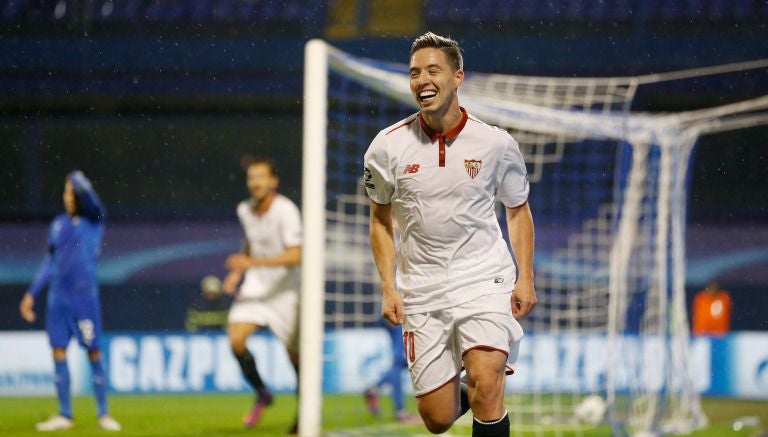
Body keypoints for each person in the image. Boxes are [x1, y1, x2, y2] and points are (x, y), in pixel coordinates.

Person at [364, 32, 537, 436]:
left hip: (484, 278)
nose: (422, 80)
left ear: (458, 76)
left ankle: (484, 388)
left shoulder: (496, 144)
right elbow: (380, 221)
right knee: (438, 418)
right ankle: (470, 389)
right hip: (421, 288)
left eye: (432, 70)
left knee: (487, 384)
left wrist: (525, 277)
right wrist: (388, 287)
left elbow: (517, 210)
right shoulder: (386, 148)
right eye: (414, 73)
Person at [18, 170, 121, 432]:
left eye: (68, 192)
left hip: (84, 299)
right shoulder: (58, 224)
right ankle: (65, 414)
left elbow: (93, 199)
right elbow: (49, 263)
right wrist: (31, 293)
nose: (65, 197)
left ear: (77, 194)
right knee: (58, 351)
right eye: (65, 192)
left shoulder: (94, 220)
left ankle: (104, 414)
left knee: (93, 351)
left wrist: (76, 179)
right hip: (58, 299)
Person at [222, 158, 301, 433]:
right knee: (236, 341)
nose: (255, 182)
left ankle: (303, 413)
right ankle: (262, 392)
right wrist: (237, 273)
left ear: (273, 181)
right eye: (251, 177)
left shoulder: (286, 211)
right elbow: (250, 242)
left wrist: (251, 263)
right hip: (256, 288)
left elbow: (296, 255)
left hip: (286, 291)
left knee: (295, 357)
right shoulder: (244, 209)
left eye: (261, 177)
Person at [363, 321, 421, 424]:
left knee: (405, 362)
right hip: (399, 316)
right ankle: (400, 411)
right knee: (400, 360)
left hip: (401, 318)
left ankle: (374, 389)